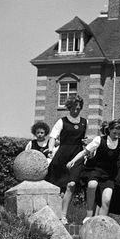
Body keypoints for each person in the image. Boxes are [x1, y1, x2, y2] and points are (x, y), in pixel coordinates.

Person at [67, 120, 120, 219]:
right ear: (109, 130)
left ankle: (101, 221)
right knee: (92, 185)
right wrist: (73, 161)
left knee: (106, 199)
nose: (117, 136)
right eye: (114, 133)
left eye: (119, 133)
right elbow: (85, 152)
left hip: (109, 174)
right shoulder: (99, 140)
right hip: (95, 169)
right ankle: (88, 215)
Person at [47, 95, 87, 224]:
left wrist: (85, 144)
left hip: (76, 155)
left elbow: (84, 139)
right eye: (74, 108)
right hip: (62, 155)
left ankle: (63, 215)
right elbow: (53, 137)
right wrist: (51, 150)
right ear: (69, 108)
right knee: (59, 188)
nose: (76, 111)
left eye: (79, 109)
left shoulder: (84, 122)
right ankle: (54, 213)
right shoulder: (62, 121)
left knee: (71, 184)